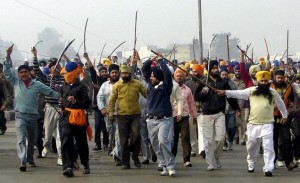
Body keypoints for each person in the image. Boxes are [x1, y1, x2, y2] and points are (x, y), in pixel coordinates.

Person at [217, 71, 288, 177]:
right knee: (251, 146)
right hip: (253, 124)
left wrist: (285, 115)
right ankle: (251, 163)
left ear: (268, 81)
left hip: (267, 124)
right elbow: (237, 93)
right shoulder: (251, 91)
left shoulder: (273, 92)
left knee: (268, 147)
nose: (263, 83)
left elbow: (281, 104)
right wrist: (225, 92)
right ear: (258, 81)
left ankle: (268, 168)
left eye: (265, 81)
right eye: (261, 81)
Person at [3, 45, 60, 172]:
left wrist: (62, 97)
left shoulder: (37, 84)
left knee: (32, 139)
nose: (23, 74)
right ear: (18, 74)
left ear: (29, 73)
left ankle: (30, 158)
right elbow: (7, 71)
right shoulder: (16, 82)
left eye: (26, 72)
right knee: (21, 139)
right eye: (21, 72)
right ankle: (23, 160)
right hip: (20, 115)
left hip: (33, 116)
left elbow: (50, 92)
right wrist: (8, 56)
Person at [194, 60, 240, 171]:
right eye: (213, 68)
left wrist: (236, 108)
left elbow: (229, 96)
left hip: (220, 113)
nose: (215, 70)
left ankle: (216, 157)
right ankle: (210, 163)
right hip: (207, 115)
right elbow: (197, 97)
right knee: (208, 140)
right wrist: (203, 93)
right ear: (209, 70)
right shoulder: (204, 82)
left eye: (216, 68)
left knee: (220, 138)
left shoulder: (223, 82)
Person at [142, 56, 176, 177]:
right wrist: (150, 60)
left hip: (164, 119)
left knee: (163, 141)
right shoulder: (150, 85)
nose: (150, 77)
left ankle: (171, 166)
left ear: (158, 76)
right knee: (155, 145)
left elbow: (166, 74)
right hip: (151, 120)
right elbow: (144, 70)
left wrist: (161, 61)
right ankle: (162, 164)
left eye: (153, 75)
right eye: (150, 76)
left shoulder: (166, 86)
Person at [108, 65, 147, 170]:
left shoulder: (137, 84)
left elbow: (147, 94)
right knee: (123, 140)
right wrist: (110, 113)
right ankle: (126, 162)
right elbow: (112, 100)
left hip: (135, 115)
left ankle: (135, 156)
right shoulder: (117, 85)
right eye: (123, 73)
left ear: (130, 74)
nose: (125, 75)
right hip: (122, 115)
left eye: (127, 73)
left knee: (137, 136)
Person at [32, 47, 64, 166]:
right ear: (50, 69)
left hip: (60, 109)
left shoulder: (64, 79)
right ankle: (46, 147)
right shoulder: (46, 78)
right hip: (49, 107)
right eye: (53, 67)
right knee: (47, 135)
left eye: (58, 67)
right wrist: (35, 56)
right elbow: (37, 72)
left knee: (59, 135)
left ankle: (60, 157)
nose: (56, 69)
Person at [59, 62, 92, 177]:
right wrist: (61, 108)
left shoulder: (81, 87)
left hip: (79, 118)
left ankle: (85, 163)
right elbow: (62, 100)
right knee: (66, 141)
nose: (65, 75)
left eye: (67, 73)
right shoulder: (64, 86)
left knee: (81, 142)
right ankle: (68, 166)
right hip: (66, 117)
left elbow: (87, 103)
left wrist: (75, 101)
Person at [270, 69, 298, 170]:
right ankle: (271, 163)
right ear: (274, 78)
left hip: (284, 118)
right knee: (272, 141)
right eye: (278, 78)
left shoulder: (289, 88)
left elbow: (291, 100)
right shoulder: (269, 87)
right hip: (271, 118)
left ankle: (289, 162)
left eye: (282, 78)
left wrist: (290, 104)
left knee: (286, 140)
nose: (280, 79)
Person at [97, 64, 122, 165]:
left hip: (121, 114)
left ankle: (118, 156)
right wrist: (102, 108)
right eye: (112, 72)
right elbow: (100, 97)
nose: (114, 74)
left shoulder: (123, 84)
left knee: (119, 135)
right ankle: (112, 149)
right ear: (110, 74)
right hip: (109, 114)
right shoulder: (105, 85)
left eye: (116, 72)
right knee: (111, 133)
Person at [83, 52, 109, 151]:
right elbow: (91, 69)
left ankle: (106, 143)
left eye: (105, 72)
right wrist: (87, 58)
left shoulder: (109, 81)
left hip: (107, 107)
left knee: (106, 127)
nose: (104, 73)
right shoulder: (96, 79)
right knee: (98, 125)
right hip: (97, 107)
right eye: (102, 72)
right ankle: (98, 144)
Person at [172, 68, 197, 167]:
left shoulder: (187, 90)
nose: (179, 77)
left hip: (185, 117)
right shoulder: (171, 88)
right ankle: (172, 158)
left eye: (181, 76)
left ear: (184, 77)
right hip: (173, 116)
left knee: (185, 138)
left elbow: (191, 103)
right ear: (175, 77)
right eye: (177, 76)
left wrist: (194, 115)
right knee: (173, 139)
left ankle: (186, 160)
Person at [0, 63, 13, 135]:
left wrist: (6, 103)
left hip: (2, 100)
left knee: (1, 117)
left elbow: (10, 91)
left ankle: (3, 127)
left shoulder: (5, 79)